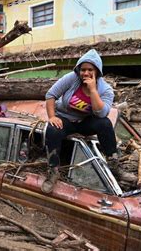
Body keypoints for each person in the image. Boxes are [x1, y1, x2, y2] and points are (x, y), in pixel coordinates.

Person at [42, 49, 119, 194]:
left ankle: (114, 165)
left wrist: (93, 91)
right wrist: (52, 116)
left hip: (85, 122)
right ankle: (53, 171)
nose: (85, 73)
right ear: (78, 70)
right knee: (52, 129)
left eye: (90, 69)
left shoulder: (106, 90)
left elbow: (101, 113)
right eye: (83, 69)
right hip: (65, 118)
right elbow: (50, 95)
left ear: (97, 71)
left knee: (105, 124)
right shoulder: (71, 78)